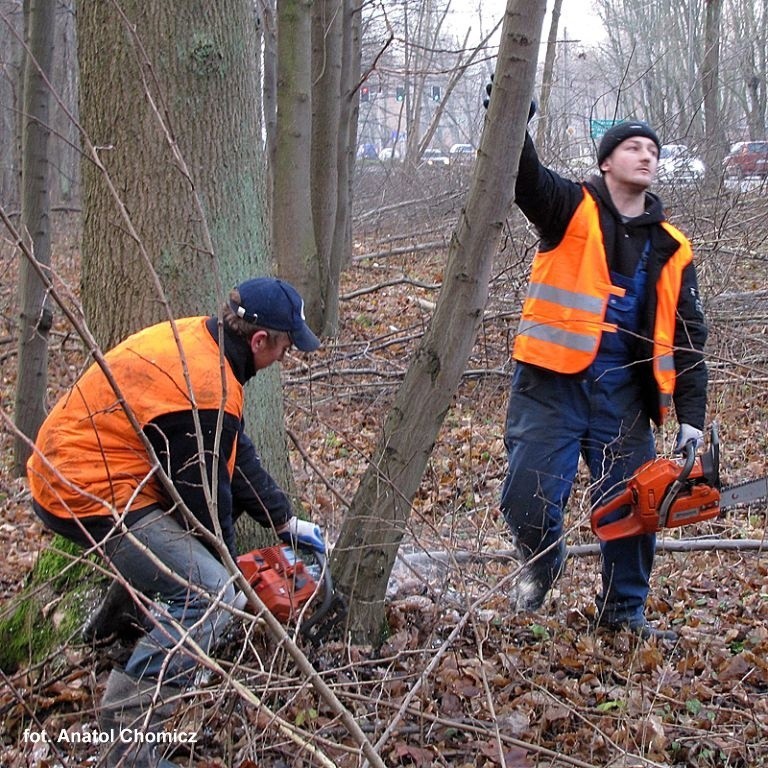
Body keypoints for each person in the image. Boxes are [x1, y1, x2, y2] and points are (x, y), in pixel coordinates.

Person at [27, 277, 325, 767]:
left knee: (196, 575)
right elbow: (205, 512)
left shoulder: (202, 343)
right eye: (286, 348)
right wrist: (232, 580)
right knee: (209, 596)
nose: (284, 358)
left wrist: (284, 520)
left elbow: (231, 450)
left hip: (81, 467)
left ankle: (114, 629)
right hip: (82, 488)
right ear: (259, 341)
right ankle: (125, 738)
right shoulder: (207, 387)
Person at [493, 103, 708, 640]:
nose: (646, 157)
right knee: (527, 495)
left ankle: (623, 613)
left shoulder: (673, 248)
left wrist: (691, 419)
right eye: (634, 147)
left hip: (626, 397)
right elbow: (524, 179)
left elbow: (688, 338)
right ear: (607, 161)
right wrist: (513, 115)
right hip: (551, 383)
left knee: (637, 506)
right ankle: (542, 562)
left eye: (653, 151)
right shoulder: (569, 206)